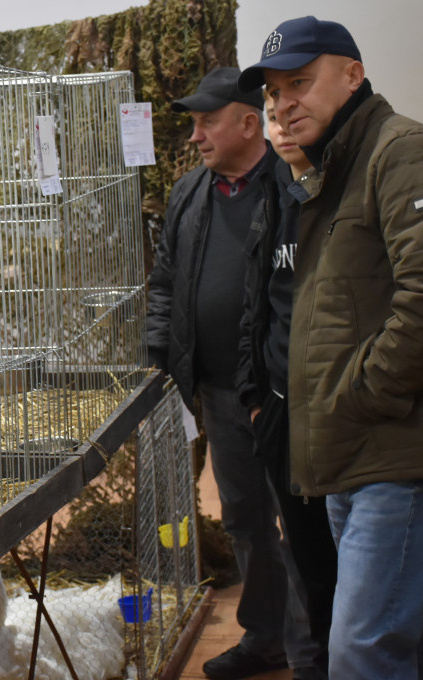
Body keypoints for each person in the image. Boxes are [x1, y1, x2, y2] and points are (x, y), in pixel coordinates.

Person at [240, 16, 423, 678]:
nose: (284, 103)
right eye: (273, 92)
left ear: (352, 74)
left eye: (299, 82)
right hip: (343, 453)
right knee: (379, 638)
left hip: (386, 453)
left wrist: (360, 394)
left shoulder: (398, 152)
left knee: (360, 648)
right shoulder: (327, 172)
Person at [146, 67, 292, 680]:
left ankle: (320, 642)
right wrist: (158, 356)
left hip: (285, 395)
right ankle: (267, 638)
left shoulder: (292, 186)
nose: (196, 135)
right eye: (194, 123)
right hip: (219, 392)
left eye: (208, 122)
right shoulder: (189, 193)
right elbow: (165, 282)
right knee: (245, 519)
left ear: (249, 124)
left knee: (304, 519)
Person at [234, 92, 336, 680]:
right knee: (307, 557)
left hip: (341, 414)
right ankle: (313, 664)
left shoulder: (347, 185)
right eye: (274, 117)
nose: (283, 127)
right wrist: (256, 398)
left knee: (354, 568)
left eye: (289, 115)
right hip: (280, 412)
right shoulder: (273, 191)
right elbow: (259, 300)